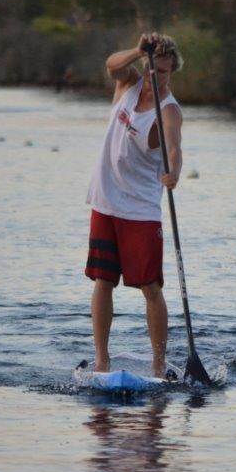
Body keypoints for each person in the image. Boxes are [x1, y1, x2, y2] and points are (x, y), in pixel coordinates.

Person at [85, 33, 185, 378]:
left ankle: (158, 362)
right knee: (102, 280)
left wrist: (173, 172)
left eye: (165, 72)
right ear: (146, 67)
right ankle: (102, 360)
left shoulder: (169, 110)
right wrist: (138, 50)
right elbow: (112, 64)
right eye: (154, 70)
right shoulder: (128, 84)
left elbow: (173, 149)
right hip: (105, 200)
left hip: (140, 210)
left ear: (172, 73)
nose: (158, 78)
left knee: (150, 288)